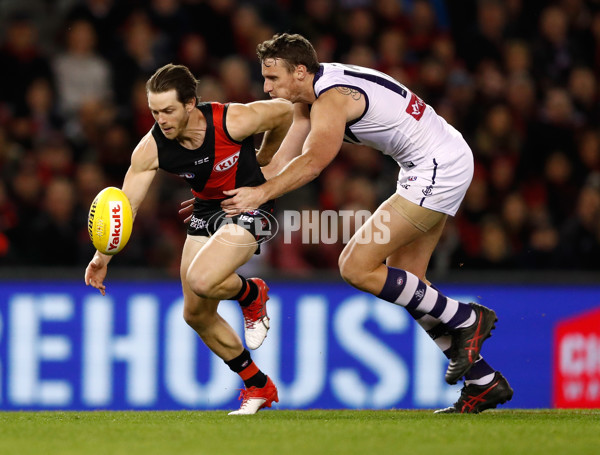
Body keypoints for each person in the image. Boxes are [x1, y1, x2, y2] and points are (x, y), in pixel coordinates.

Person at [220, 33, 513, 413]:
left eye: (273, 78)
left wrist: (259, 196)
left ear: (300, 72)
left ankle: (467, 317)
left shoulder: (331, 99)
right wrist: (225, 192)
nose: (266, 86)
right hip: (435, 159)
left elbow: (312, 163)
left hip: (436, 167)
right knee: (408, 282)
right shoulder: (309, 98)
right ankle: (484, 382)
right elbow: (276, 167)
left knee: (355, 266)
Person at [85, 63, 293, 415]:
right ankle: (259, 386)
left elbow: (285, 112)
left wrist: (266, 158)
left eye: (168, 111)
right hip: (207, 209)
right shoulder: (150, 148)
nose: (161, 120)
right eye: (154, 112)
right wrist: (101, 257)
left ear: (190, 104)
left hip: (255, 207)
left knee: (202, 279)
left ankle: (251, 293)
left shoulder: (233, 121)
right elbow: (127, 205)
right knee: (195, 313)